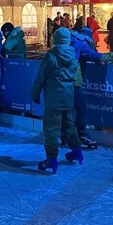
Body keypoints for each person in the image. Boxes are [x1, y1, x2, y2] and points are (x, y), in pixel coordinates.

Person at [31, 28, 83, 174]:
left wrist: (35, 94)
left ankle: (51, 159)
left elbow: (40, 78)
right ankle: (77, 151)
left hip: (53, 98)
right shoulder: (74, 58)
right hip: (68, 97)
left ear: (56, 39)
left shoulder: (50, 57)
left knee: (51, 129)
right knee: (68, 124)